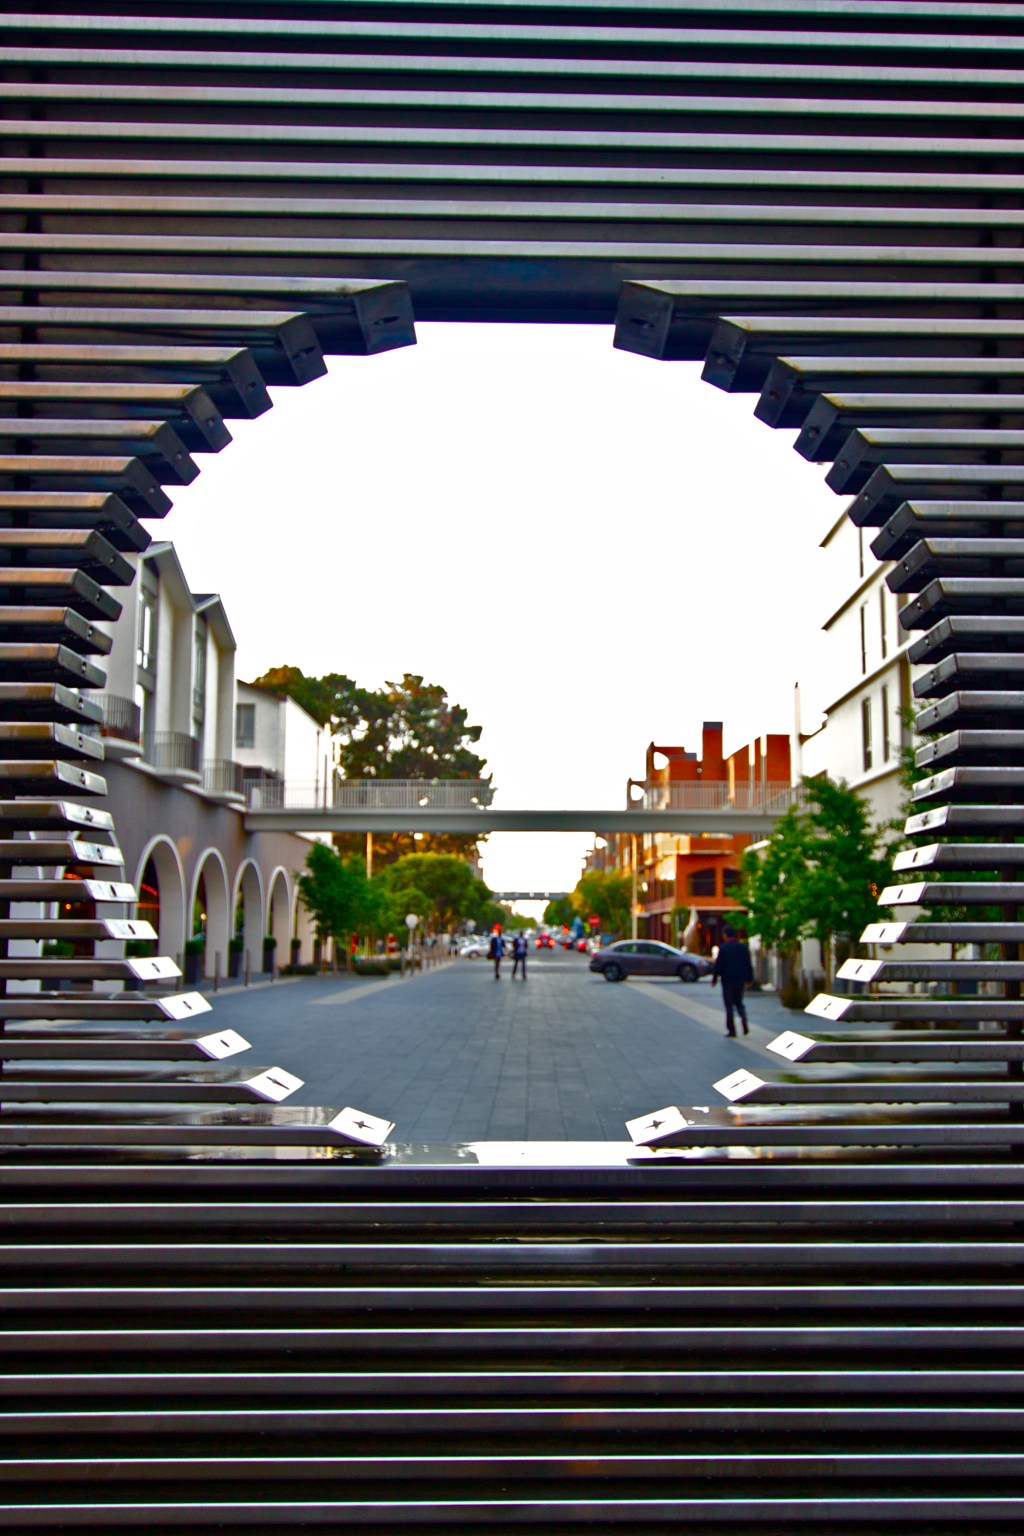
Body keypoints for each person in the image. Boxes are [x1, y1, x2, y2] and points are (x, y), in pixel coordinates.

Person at [711, 924, 753, 1037]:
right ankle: (744, 1022)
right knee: (739, 1003)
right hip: (740, 980)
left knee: (729, 1005)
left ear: (725, 935)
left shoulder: (723, 948)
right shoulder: (743, 948)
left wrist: (714, 978)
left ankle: (732, 1029)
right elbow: (748, 964)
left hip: (727, 980)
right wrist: (749, 978)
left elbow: (718, 965)